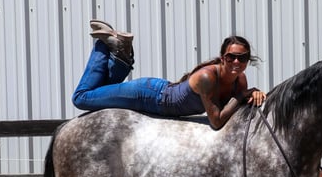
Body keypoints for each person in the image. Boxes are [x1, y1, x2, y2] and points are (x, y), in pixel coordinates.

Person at [72, 20, 266, 129]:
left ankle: (120, 54)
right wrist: (243, 95)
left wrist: (253, 95)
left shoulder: (239, 80)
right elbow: (216, 121)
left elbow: (235, 109)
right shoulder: (208, 78)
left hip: (158, 95)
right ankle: (102, 46)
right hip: (148, 96)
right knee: (81, 98)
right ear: (222, 58)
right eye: (231, 57)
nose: (237, 62)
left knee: (102, 91)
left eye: (242, 58)